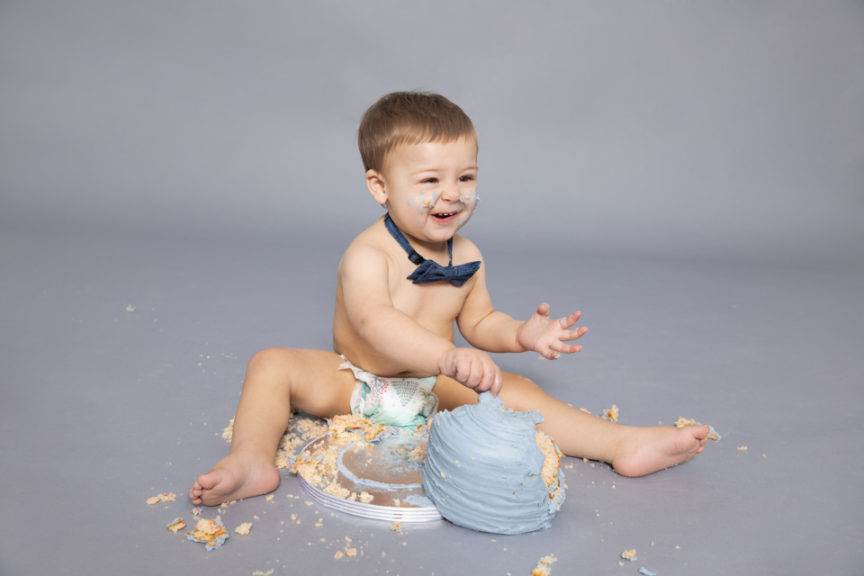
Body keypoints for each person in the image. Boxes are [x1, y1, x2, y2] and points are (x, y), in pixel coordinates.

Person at [189, 91, 709, 506]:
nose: (453, 194)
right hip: (355, 384)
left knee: (519, 390)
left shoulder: (469, 254)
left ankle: (620, 444)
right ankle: (252, 459)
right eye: (431, 180)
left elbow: (479, 322)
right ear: (380, 187)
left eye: (466, 177)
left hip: (434, 387)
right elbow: (373, 321)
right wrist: (446, 354)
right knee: (271, 364)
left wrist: (520, 334)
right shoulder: (367, 254)